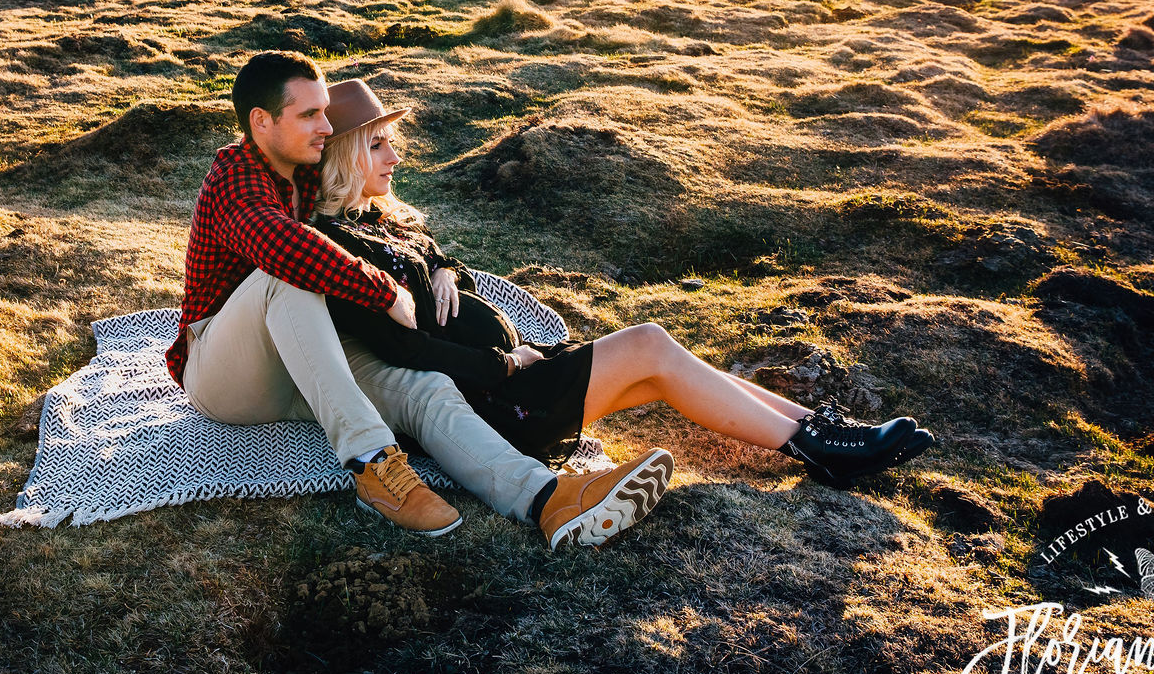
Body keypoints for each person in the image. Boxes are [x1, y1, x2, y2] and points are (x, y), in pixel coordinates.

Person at [309, 78, 937, 489]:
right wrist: (504, 362)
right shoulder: (332, 247)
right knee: (649, 346)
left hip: (516, 378)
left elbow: (432, 261)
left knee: (664, 367)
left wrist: (443, 267)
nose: (394, 157)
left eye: (392, 142)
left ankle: (826, 433)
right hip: (500, 399)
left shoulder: (376, 221)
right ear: (341, 157)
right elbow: (406, 351)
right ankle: (820, 446)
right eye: (377, 146)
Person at [172, 52, 675, 548]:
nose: (325, 126)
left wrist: (439, 267)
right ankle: (372, 463)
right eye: (309, 114)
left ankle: (547, 499)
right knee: (285, 274)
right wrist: (383, 289)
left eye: (324, 111)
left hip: (306, 358)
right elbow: (281, 246)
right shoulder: (233, 176)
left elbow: (386, 222)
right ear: (261, 122)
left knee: (426, 388)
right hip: (227, 372)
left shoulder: (305, 168)